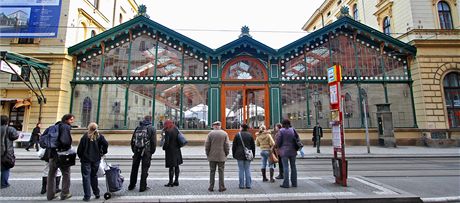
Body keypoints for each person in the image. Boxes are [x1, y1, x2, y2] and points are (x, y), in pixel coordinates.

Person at [77, 122, 108, 201]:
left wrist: (81, 157)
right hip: (96, 159)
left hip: (86, 160)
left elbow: (79, 150)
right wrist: (103, 152)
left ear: (88, 128)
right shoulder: (99, 136)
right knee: (94, 176)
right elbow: (106, 144)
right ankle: (96, 193)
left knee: (86, 177)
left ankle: (87, 196)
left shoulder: (84, 137)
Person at [47, 114, 74, 200]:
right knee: (66, 174)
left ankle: (50, 195)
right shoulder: (65, 127)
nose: (72, 121)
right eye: (71, 120)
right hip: (62, 154)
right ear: (66, 120)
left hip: (52, 154)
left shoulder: (55, 126)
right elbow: (65, 141)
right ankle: (65, 194)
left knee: (51, 174)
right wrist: (68, 149)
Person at [128, 116, 156, 192]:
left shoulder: (138, 128)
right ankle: (142, 187)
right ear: (150, 120)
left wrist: (134, 150)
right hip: (146, 151)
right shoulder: (152, 128)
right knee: (144, 169)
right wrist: (152, 151)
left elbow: (132, 141)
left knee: (134, 168)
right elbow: (153, 142)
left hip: (137, 150)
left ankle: (131, 185)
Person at [205, 121, 230, 192]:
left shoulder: (210, 134)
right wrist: (226, 153)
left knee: (212, 171)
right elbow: (227, 145)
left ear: (214, 126)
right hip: (221, 156)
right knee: (221, 172)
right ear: (220, 126)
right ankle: (221, 187)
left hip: (212, 156)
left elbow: (207, 145)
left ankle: (211, 187)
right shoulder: (224, 133)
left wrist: (207, 153)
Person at [276, 119, 298, 188]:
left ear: (283, 124)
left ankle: (286, 183)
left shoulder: (281, 131)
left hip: (284, 151)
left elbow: (278, 141)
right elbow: (297, 138)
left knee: (285, 167)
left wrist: (278, 147)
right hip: (293, 150)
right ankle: (294, 183)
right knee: (293, 167)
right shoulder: (293, 130)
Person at [232, 123, 255, 189]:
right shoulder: (250, 135)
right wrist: (253, 155)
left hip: (239, 154)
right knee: (247, 169)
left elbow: (234, 146)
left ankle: (241, 185)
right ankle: (248, 185)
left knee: (241, 169)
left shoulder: (237, 135)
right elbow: (253, 146)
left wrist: (234, 154)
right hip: (248, 154)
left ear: (241, 127)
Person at [162, 120, 183, 187]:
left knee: (171, 167)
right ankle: (176, 181)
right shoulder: (175, 129)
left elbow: (167, 142)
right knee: (177, 166)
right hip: (177, 150)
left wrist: (164, 147)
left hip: (170, 151)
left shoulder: (167, 131)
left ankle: (170, 182)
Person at [1, 115, 19, 189]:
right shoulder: (10, 129)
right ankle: (3, 183)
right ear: (7, 121)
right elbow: (15, 136)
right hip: (6, 152)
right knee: (5, 168)